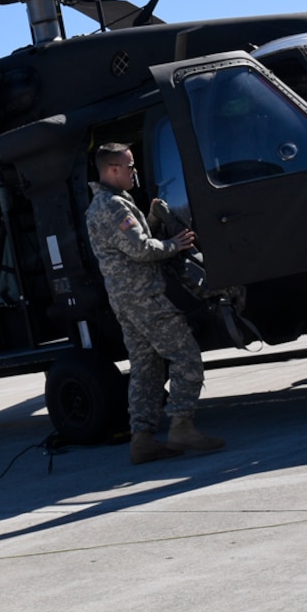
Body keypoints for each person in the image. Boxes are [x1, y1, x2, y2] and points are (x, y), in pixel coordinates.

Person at [83, 142, 225, 465]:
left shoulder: (106, 204)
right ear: (113, 170)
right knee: (186, 355)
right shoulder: (113, 207)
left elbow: (131, 243)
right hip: (143, 298)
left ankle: (142, 439)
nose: (135, 172)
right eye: (130, 166)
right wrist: (174, 244)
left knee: (146, 368)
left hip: (126, 301)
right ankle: (182, 425)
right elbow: (142, 250)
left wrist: (150, 218)